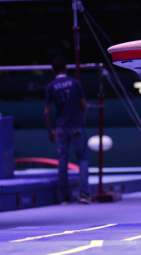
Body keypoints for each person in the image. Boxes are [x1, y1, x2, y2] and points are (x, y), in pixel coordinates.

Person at [44, 57, 91, 204]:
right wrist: (82, 119)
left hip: (61, 128)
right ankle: (83, 194)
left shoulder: (51, 86)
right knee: (82, 158)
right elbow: (84, 105)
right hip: (76, 126)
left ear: (52, 70)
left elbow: (46, 111)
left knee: (62, 161)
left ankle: (64, 197)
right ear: (66, 68)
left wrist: (49, 131)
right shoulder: (75, 83)